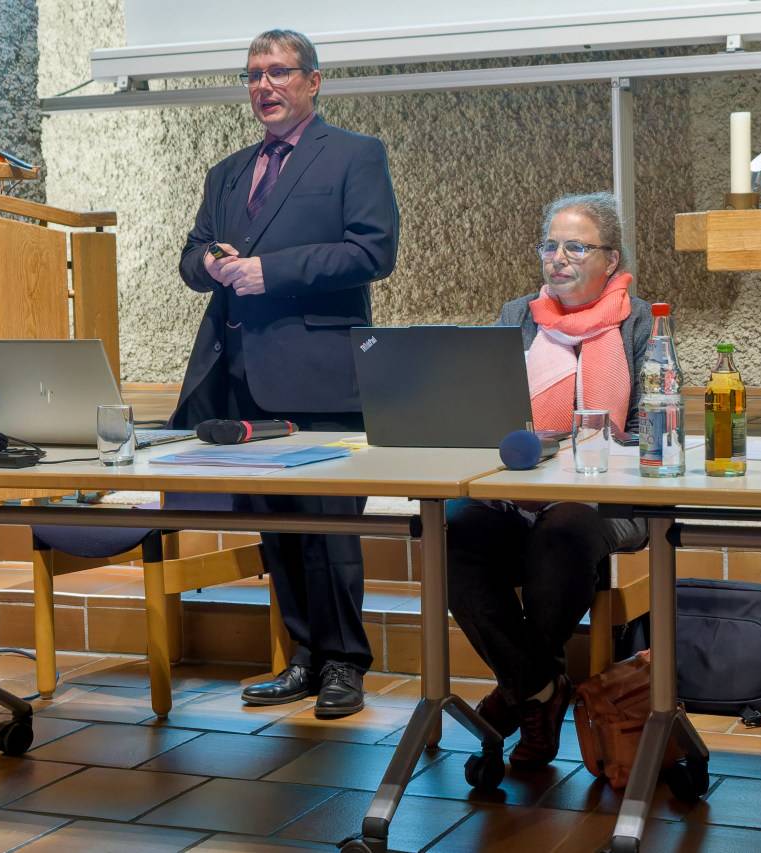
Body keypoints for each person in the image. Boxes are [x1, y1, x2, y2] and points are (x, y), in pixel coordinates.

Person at [170, 29, 399, 718]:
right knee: (279, 529)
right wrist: (209, 262)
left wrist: (271, 271)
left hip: (322, 378)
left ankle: (345, 664)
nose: (264, 86)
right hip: (242, 379)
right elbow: (191, 256)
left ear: (313, 81)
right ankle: (302, 656)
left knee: (330, 531)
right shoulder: (228, 171)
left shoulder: (355, 154)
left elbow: (374, 252)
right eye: (252, 75)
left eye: (278, 72)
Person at [445, 192, 651, 767]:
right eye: (550, 245)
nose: (558, 258)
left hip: (611, 496)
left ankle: (519, 691)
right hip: (519, 491)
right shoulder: (518, 316)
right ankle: (538, 687)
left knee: (563, 529)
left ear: (610, 259)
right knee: (454, 531)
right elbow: (488, 409)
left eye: (576, 247)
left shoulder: (641, 320)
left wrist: (592, 458)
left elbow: (653, 423)